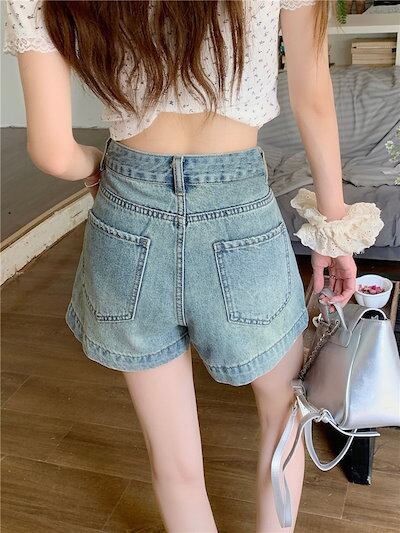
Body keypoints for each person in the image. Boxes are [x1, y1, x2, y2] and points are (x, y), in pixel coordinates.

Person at [3, 1, 383, 531]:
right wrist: (333, 231)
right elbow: (313, 100)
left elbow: (51, 152)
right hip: (239, 214)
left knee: (174, 463)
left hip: (126, 213)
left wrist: (97, 165)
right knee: (283, 418)